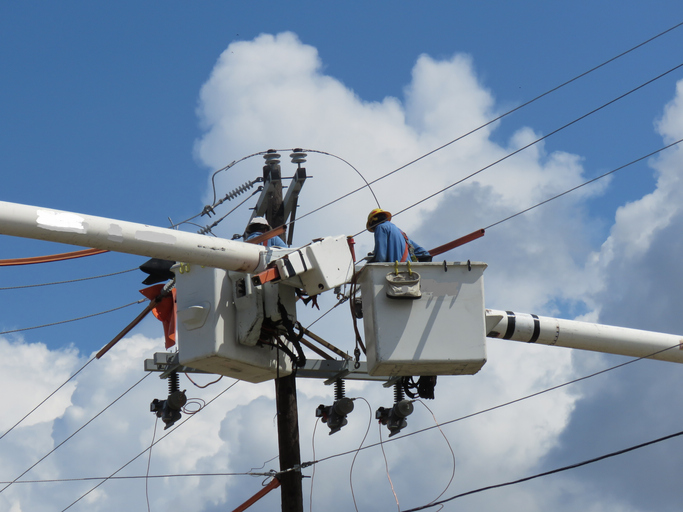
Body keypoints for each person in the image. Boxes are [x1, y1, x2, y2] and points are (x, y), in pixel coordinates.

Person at [366, 208, 431, 262]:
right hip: (410, 272)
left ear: (372, 223)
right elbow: (425, 254)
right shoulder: (401, 233)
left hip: (395, 273)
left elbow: (381, 258)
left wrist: (371, 262)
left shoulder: (380, 228)